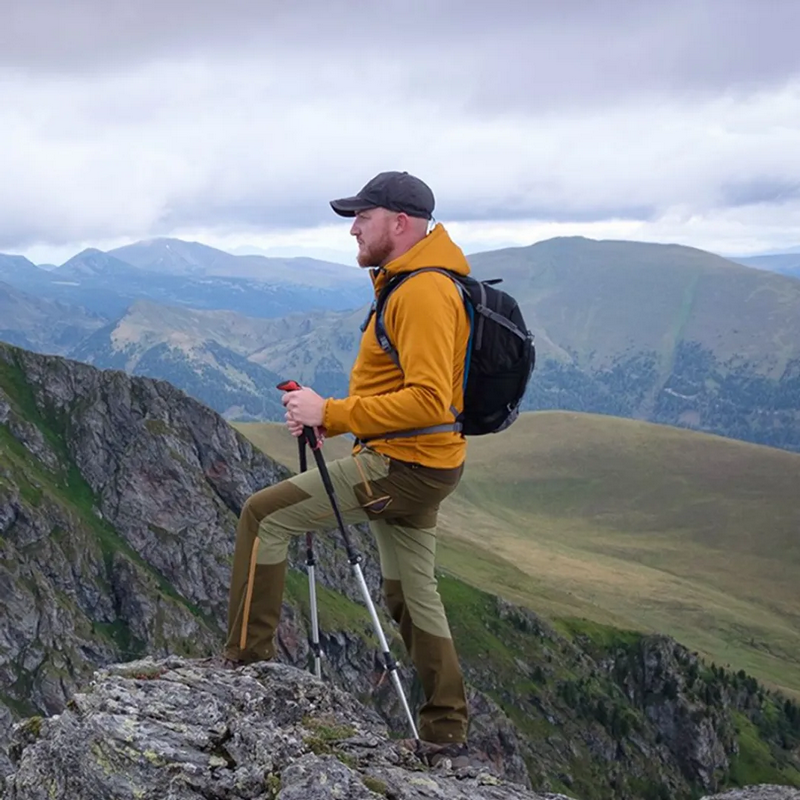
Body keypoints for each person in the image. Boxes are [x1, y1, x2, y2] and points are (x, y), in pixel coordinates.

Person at [223, 170, 473, 766]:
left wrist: (329, 413)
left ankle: (241, 668)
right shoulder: (412, 281)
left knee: (264, 518)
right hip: (424, 462)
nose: (354, 227)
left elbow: (429, 399)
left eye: (364, 216)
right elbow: (407, 392)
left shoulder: (421, 291)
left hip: (403, 464)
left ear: (401, 223)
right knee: (412, 590)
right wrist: (328, 414)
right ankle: (445, 731)